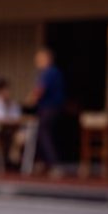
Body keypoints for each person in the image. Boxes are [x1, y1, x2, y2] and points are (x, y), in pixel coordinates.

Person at [24, 48, 66, 176]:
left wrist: (28, 101)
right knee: (44, 134)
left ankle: (54, 164)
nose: (36, 62)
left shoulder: (49, 73)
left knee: (44, 133)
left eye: (39, 59)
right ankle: (43, 163)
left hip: (49, 108)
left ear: (47, 60)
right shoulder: (54, 72)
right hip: (54, 108)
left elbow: (39, 90)